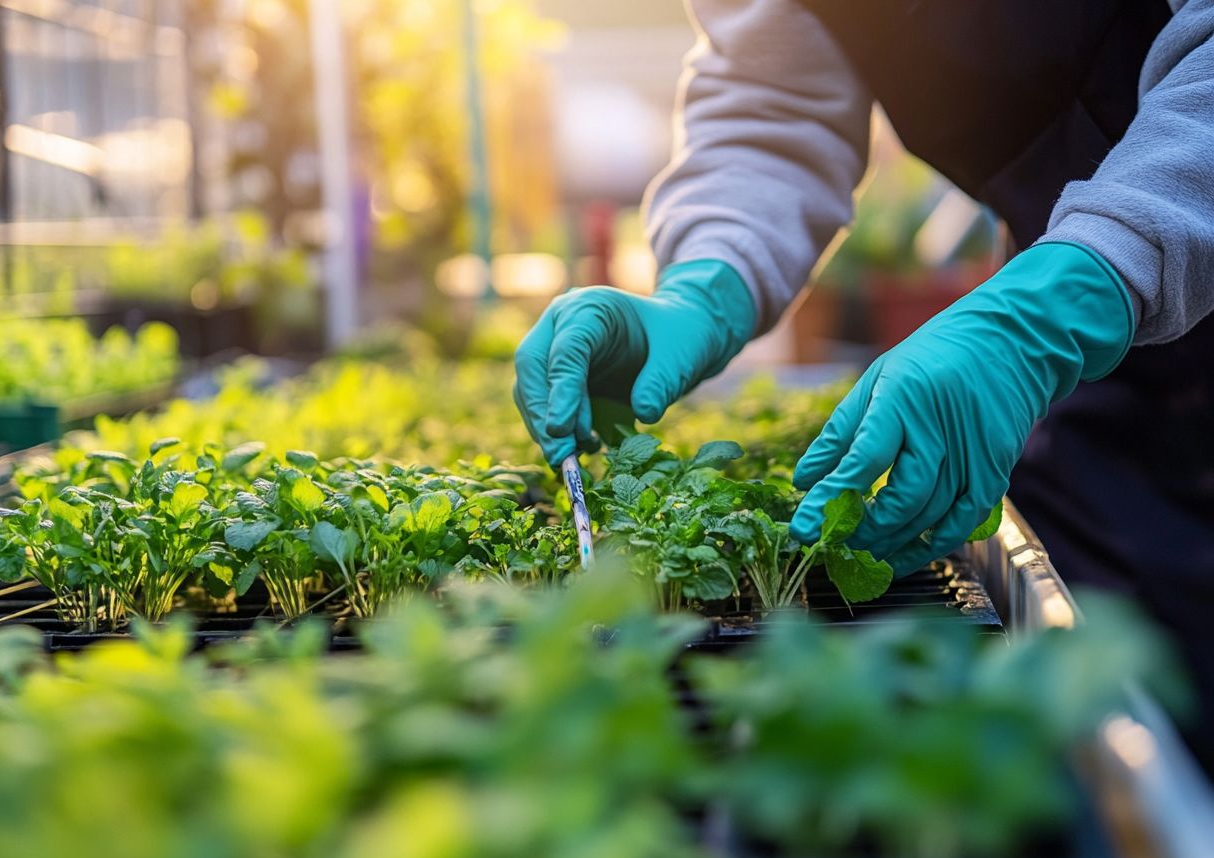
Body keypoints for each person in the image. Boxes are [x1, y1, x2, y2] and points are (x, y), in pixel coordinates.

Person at [513, 1, 1214, 762]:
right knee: (1131, 706)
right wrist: (705, 281)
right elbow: (773, 93)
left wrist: (1066, 293)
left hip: (1084, 295)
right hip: (1091, 357)